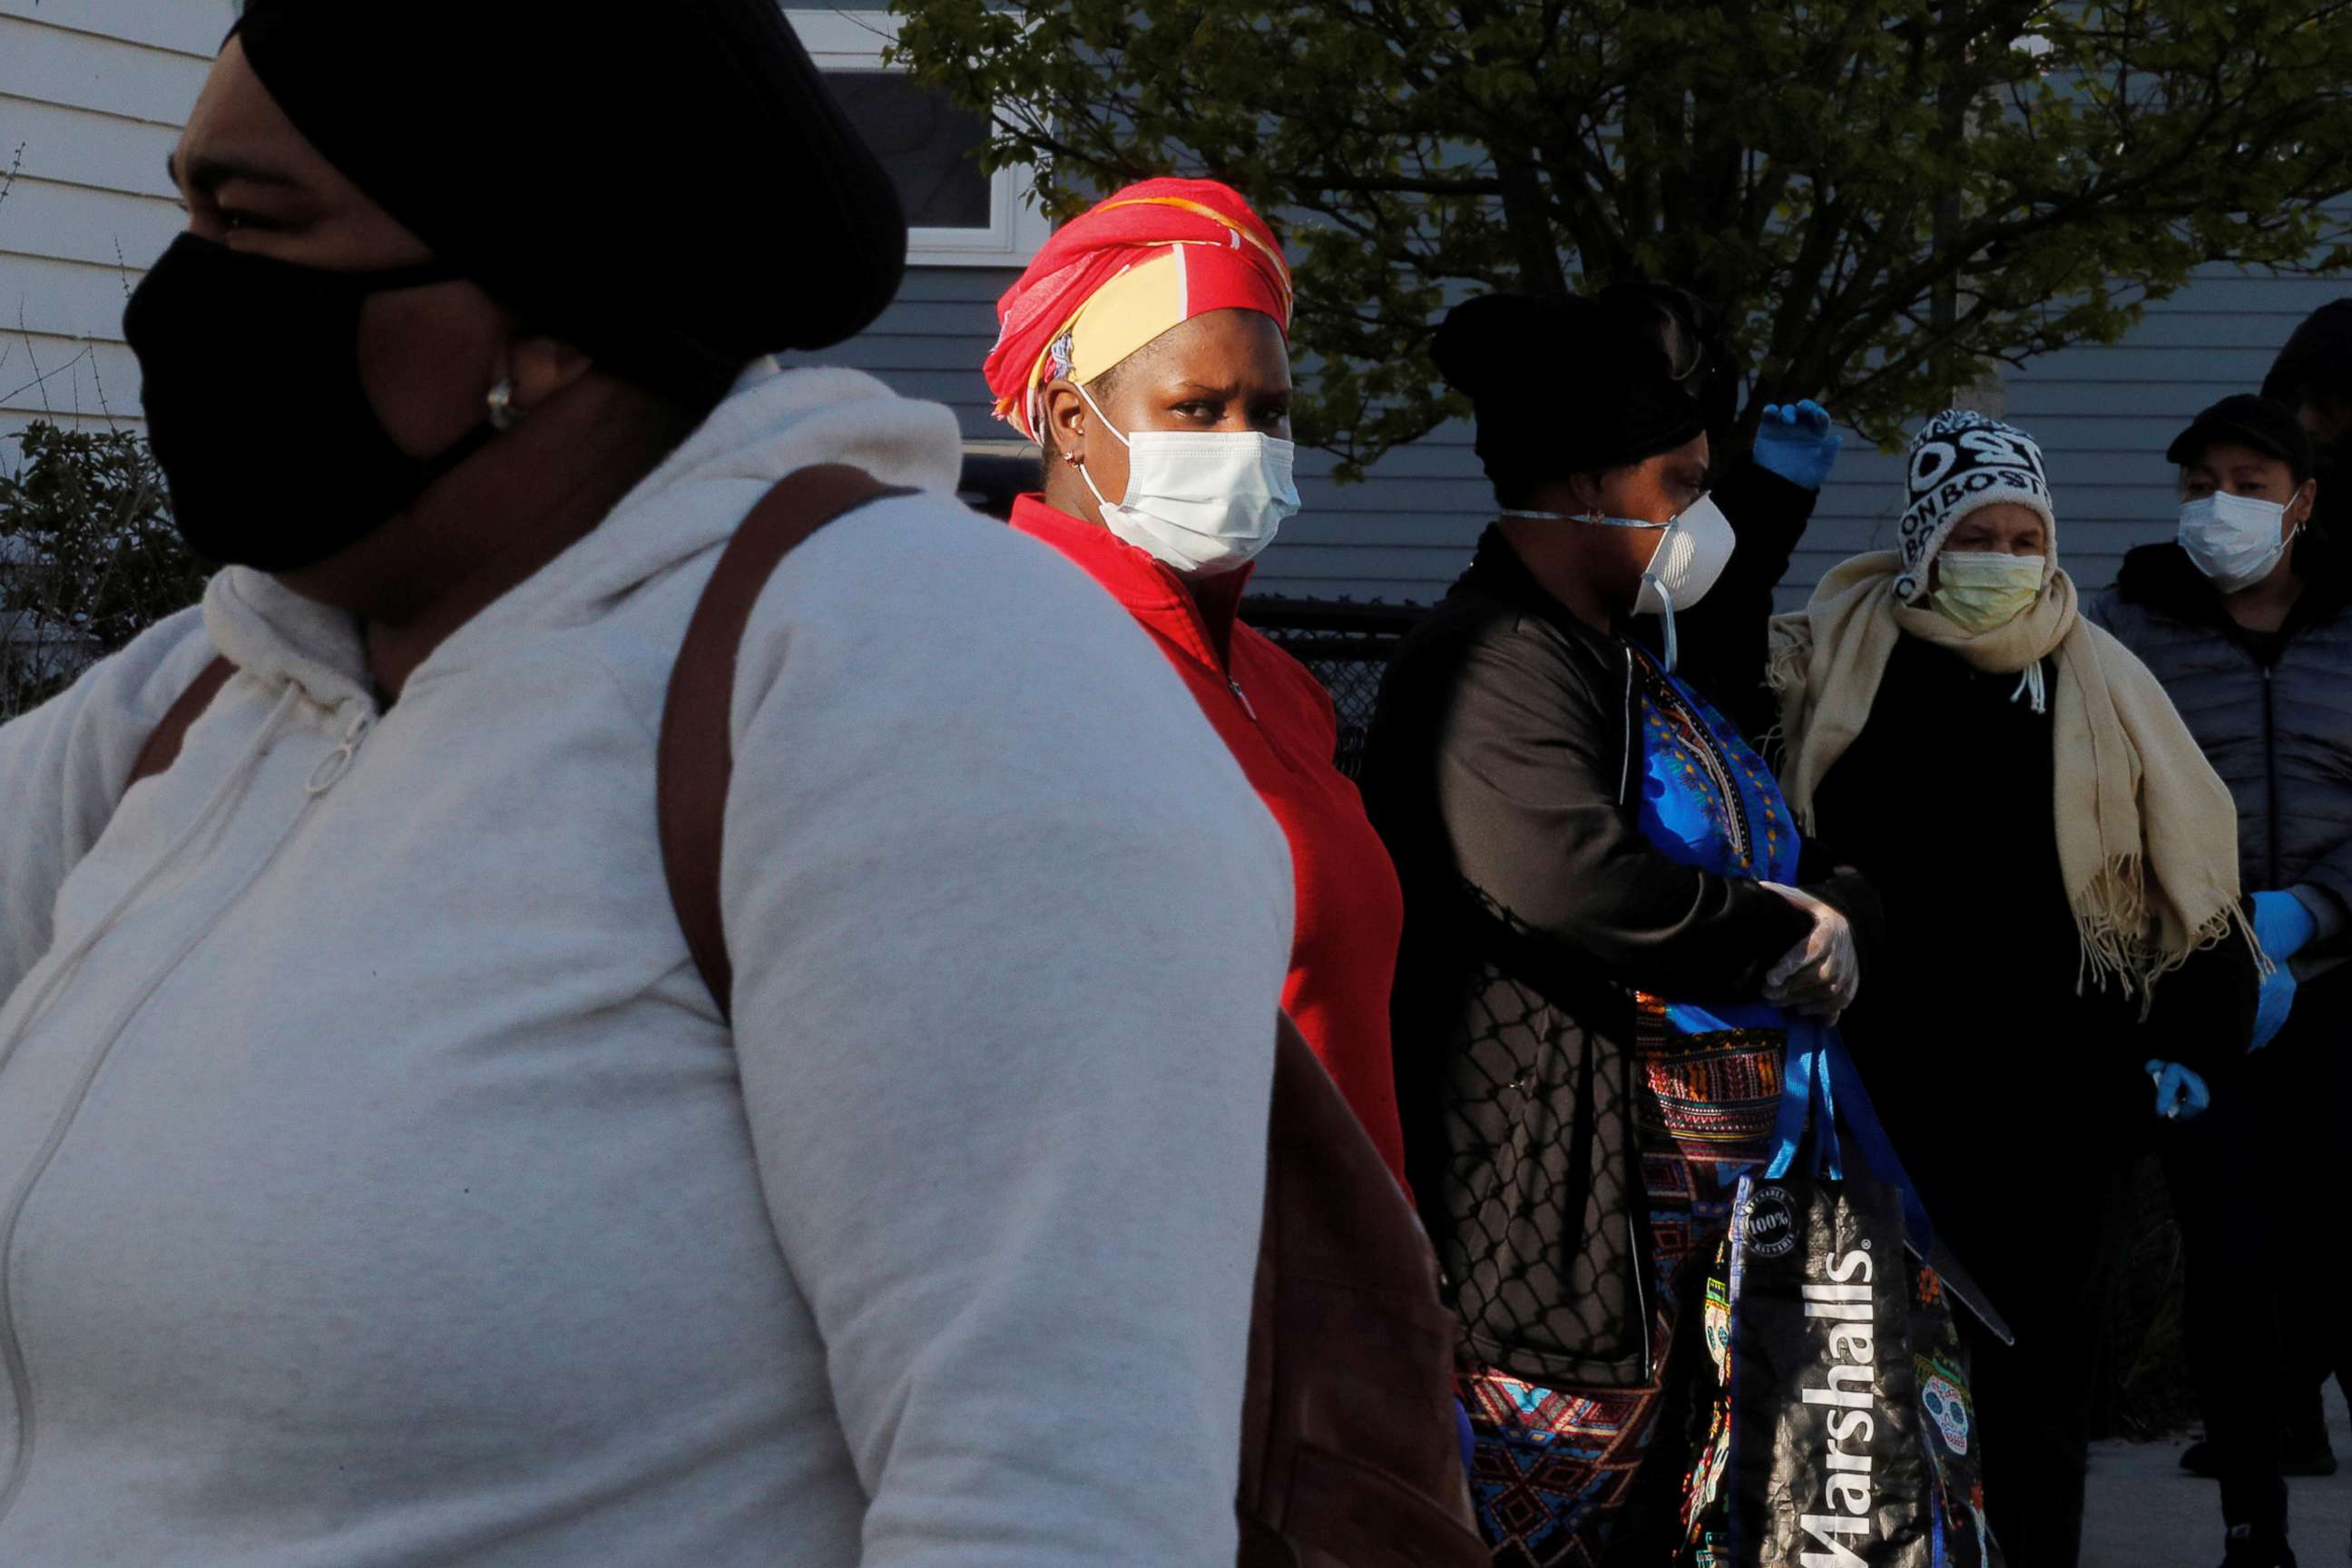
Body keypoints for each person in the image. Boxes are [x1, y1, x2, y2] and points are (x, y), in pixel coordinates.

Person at [0, 5, 1298, 1563]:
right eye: (188, 211)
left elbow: (1053, 1497)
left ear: (549, 315)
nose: (181, 295)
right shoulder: (190, 706)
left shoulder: (918, 682)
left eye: (255, 224)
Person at [1359, 289, 1883, 1565]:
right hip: (1546, 1227)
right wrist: (1773, 929)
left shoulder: (1611, 654)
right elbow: (1572, 876)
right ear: (1590, 487)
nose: (1701, 518)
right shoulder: (1491, 662)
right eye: (1684, 483)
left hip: (1676, 1242)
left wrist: (1836, 907)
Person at [1769, 409, 2260, 1568]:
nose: (2002, 559)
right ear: (1925, 540)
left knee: (2038, 1409)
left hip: (2057, 1119)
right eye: (1975, 535)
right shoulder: (1837, 658)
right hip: (1879, 1103)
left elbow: (2186, 887)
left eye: (2022, 535)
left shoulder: (2104, 681)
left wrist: (2193, 1043)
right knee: (1867, 1409)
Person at [980, 177, 1407, 1181]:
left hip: (1338, 1289)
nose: (1243, 448)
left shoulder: (1278, 685)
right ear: (1070, 419)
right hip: (1167, 1285)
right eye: (1197, 409)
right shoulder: (1019, 663)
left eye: (1269, 412)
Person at [2091, 393, 2351, 1568]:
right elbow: (2091, 803)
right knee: (2231, 1265)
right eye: (2200, 483)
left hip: (2342, 983)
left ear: (2301, 501)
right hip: (2200, 996)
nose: (2220, 506)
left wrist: (2318, 910)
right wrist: (2191, 939)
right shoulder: (2127, 628)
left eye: (2249, 482)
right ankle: (2255, 1528)